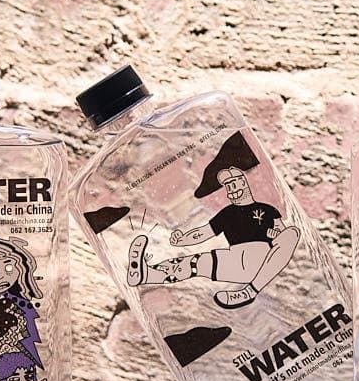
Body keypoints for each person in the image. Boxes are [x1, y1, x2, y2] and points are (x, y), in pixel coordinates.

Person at [126, 132, 299, 309]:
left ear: (244, 183)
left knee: (292, 233)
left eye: (235, 183)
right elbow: (203, 233)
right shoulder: (226, 214)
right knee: (191, 264)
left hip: (261, 260)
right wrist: (183, 239)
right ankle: (146, 275)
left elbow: (283, 236)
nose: (232, 189)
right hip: (232, 261)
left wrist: (276, 234)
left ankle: (250, 291)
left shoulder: (267, 210)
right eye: (228, 186)